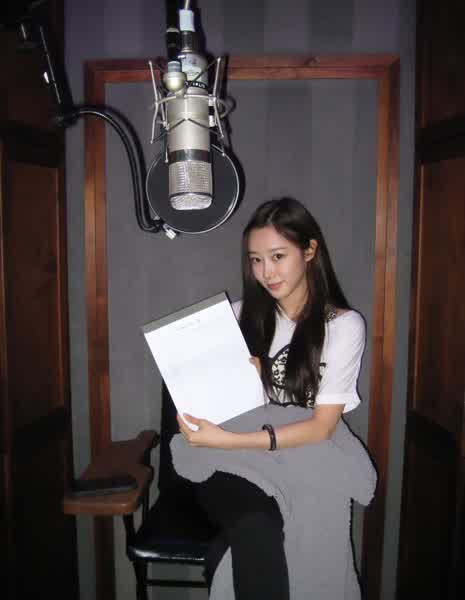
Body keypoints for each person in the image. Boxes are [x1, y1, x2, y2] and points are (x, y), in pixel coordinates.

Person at [173, 197, 376, 600]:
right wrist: (223, 393)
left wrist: (232, 438)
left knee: (293, 529)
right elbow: (197, 399)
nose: (267, 272)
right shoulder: (234, 317)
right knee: (256, 525)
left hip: (293, 450)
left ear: (310, 250)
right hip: (227, 459)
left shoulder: (343, 326)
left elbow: (322, 427)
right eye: (256, 260)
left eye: (278, 256)